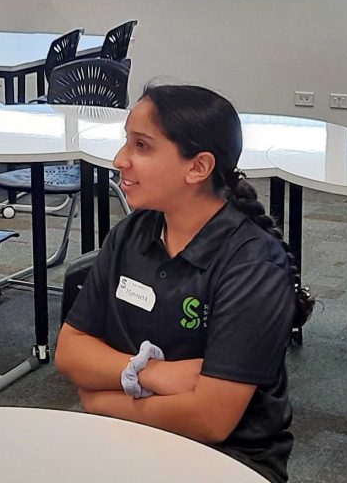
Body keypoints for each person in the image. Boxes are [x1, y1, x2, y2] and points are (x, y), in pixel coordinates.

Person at [57, 84, 313, 482]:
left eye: (142, 146)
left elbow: (211, 420)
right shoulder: (132, 233)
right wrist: (148, 373)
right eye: (126, 142)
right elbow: (71, 353)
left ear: (198, 168)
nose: (120, 159)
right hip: (128, 441)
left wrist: (101, 400)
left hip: (225, 460)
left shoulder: (253, 266)